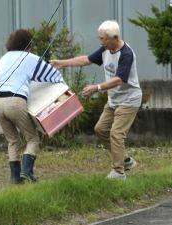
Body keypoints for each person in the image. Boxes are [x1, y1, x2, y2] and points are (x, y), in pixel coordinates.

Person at [52, 20, 141, 180]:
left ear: (114, 37)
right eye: (100, 38)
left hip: (129, 100)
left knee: (116, 133)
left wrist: (97, 87)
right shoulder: (105, 49)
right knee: (100, 129)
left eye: (103, 39)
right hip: (114, 100)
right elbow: (86, 60)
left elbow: (119, 79)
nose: (100, 42)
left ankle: (118, 172)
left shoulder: (126, 54)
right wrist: (62, 63)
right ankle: (126, 160)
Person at [0, 29, 64, 183]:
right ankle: (27, 172)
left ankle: (15, 179)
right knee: (32, 138)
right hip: (15, 102)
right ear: (28, 44)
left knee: (12, 141)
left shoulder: (4, 58)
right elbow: (55, 76)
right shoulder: (30, 57)